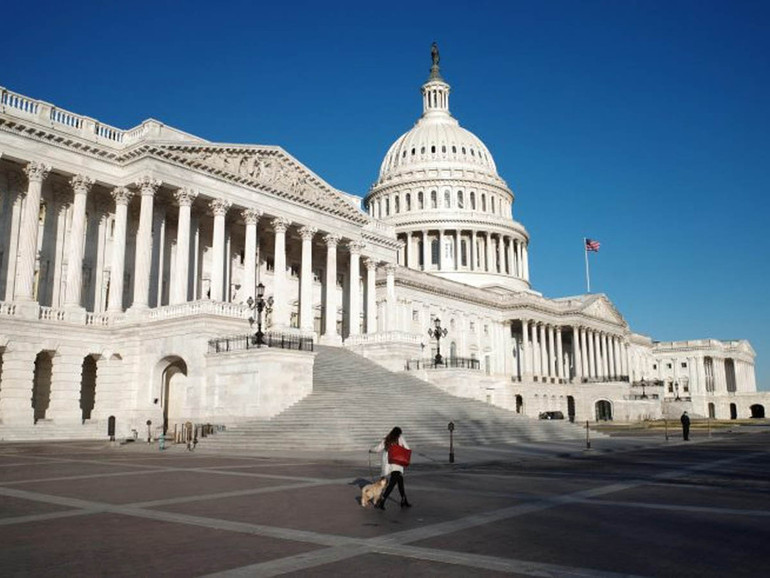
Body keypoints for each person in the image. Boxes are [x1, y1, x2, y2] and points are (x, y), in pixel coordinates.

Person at [370, 426, 411, 509]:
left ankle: (404, 500)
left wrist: (371, 450)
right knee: (392, 484)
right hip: (398, 464)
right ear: (399, 433)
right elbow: (408, 448)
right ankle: (382, 500)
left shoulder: (387, 438)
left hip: (390, 464)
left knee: (400, 482)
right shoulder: (400, 438)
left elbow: (378, 448)